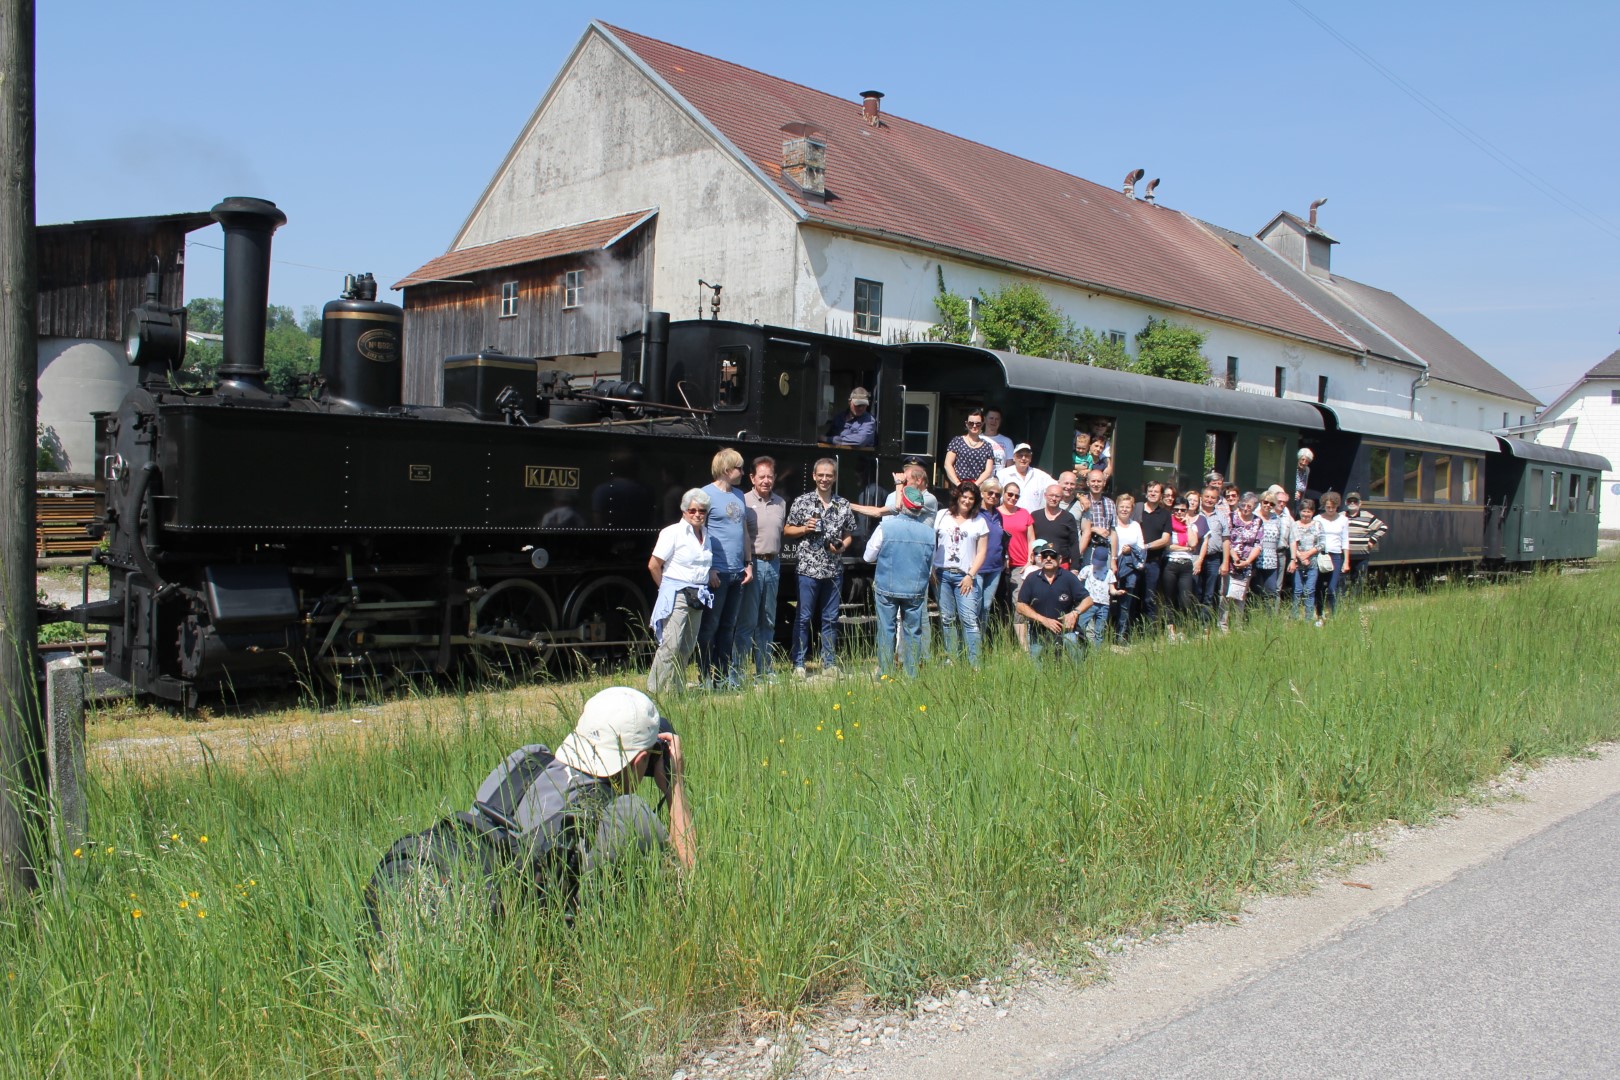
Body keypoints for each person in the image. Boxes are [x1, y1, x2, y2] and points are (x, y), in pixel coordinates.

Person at [482, 687, 695, 876]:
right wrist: (675, 784)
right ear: (640, 760)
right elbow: (689, 875)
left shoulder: (524, 762)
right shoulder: (627, 815)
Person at [784, 458, 855, 677]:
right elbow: (787, 530)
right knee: (803, 618)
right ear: (814, 476)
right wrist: (805, 528)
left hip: (833, 570)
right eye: (821, 475)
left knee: (831, 618)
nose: (824, 479)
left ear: (834, 477)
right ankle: (798, 664)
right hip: (808, 569)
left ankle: (829, 663)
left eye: (829, 475)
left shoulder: (842, 504)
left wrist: (842, 546)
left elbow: (849, 533)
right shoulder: (802, 502)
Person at [647, 490, 718, 694]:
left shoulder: (706, 536)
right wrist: (665, 589)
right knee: (670, 645)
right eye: (692, 510)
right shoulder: (672, 533)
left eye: (702, 510)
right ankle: (655, 692)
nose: (697, 514)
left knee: (687, 647)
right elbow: (654, 565)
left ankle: (676, 691)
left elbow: (704, 563)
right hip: (677, 592)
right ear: (684, 511)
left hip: (698, 594)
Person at [863, 486, 934, 678]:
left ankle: (885, 672)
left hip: (887, 587)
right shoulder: (929, 533)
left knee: (886, 629)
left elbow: (868, 557)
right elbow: (930, 563)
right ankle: (912, 674)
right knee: (913, 631)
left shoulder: (885, 527)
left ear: (902, 504)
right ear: (919, 508)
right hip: (915, 590)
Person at [695, 449, 752, 689]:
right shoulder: (705, 495)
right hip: (716, 572)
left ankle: (724, 675)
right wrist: (708, 569)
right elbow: (699, 534)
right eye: (739, 468)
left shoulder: (739, 495)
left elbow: (744, 531)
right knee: (710, 627)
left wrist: (749, 563)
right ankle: (705, 676)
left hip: (737, 572)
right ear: (728, 470)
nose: (742, 471)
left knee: (729, 627)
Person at [736, 456, 786, 681]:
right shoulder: (743, 501)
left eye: (770, 476)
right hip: (752, 565)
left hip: (773, 564)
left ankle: (764, 669)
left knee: (768, 619)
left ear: (774, 478)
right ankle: (737, 669)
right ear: (752, 478)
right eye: (761, 476)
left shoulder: (781, 503)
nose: (766, 480)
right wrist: (747, 564)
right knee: (747, 620)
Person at [933, 482, 989, 668]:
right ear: (957, 496)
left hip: (965, 576)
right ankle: (952, 659)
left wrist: (971, 575)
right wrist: (931, 568)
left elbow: (981, 552)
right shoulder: (942, 516)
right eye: (964, 497)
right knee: (947, 619)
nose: (966, 501)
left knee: (969, 619)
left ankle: (975, 663)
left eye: (971, 499)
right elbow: (932, 542)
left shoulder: (979, 521)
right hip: (941, 573)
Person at [1016, 540, 1084, 664]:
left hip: (1066, 631)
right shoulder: (1031, 578)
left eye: (1052, 556)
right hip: (1039, 632)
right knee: (1037, 671)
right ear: (1040, 558)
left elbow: (1088, 600)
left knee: (1074, 653)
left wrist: (1075, 613)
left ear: (1059, 559)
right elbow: (1020, 606)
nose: (1048, 558)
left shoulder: (1069, 578)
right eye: (1045, 555)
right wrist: (1043, 620)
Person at [998, 481, 1036, 650]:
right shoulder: (995, 513)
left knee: (1019, 603)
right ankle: (1001, 641)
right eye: (1010, 494)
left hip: (1020, 565)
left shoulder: (1024, 513)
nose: (1013, 498)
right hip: (998, 566)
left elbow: (1031, 539)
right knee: (998, 603)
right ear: (1003, 494)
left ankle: (1024, 647)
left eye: (1016, 495)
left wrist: (1030, 560)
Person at [1219, 492, 1264, 632]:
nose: (1246, 508)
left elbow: (1258, 544)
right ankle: (1222, 625)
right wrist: (1234, 557)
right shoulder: (1231, 518)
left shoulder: (1258, 521)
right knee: (1225, 594)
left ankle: (1238, 625)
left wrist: (1248, 561)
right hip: (1230, 561)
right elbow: (1226, 539)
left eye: (1249, 506)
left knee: (1240, 595)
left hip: (1246, 564)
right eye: (1243, 505)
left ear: (1254, 507)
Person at [1162, 500, 1204, 642]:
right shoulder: (1168, 525)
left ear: (1187, 511)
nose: (1179, 513)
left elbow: (1193, 543)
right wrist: (1186, 548)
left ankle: (1182, 630)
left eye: (1182, 510)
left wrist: (1188, 525)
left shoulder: (1191, 526)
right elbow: (1168, 546)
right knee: (1169, 599)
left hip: (1186, 565)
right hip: (1171, 563)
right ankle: (1170, 631)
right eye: (1176, 510)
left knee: (1185, 599)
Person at [1134, 483, 1173, 634]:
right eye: (1150, 491)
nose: (1152, 493)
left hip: (1153, 562)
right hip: (1134, 561)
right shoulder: (1136, 509)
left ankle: (1150, 632)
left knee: (1149, 598)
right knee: (1134, 596)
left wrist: (1146, 546)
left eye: (1156, 491)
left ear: (1161, 495)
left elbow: (1165, 539)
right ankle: (1132, 631)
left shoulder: (1165, 514)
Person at [1111, 491, 1143, 641]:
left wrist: (1131, 549)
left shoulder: (1135, 525)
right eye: (1121, 506)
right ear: (1116, 507)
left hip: (1130, 568)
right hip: (1113, 566)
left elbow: (1141, 546)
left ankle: (1121, 635)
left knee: (1126, 602)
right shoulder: (1112, 524)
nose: (1124, 509)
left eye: (1127, 507)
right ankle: (1106, 632)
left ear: (1132, 509)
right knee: (1110, 600)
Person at [976, 478, 1008, 628]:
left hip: (995, 567)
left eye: (997, 494)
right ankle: (969, 645)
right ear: (982, 493)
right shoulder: (974, 512)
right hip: (977, 567)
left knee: (986, 607)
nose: (994, 496)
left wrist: (1004, 558)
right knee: (974, 606)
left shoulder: (998, 515)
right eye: (990, 492)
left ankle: (980, 643)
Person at [1316, 492, 1350, 621]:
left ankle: (1333, 613)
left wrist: (1346, 561)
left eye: (1333, 507)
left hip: (1336, 555)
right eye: (1327, 507)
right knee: (1319, 586)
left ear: (1337, 506)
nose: (1330, 510)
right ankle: (1319, 613)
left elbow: (1345, 540)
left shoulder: (1343, 520)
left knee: (1331, 587)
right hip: (1321, 555)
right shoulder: (1318, 519)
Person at [1289, 497, 1324, 623]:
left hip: (1312, 563)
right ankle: (1294, 617)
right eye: (1303, 511)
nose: (1306, 514)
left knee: (1309, 590)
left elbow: (1321, 544)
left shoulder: (1318, 525)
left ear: (1313, 512)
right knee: (1297, 590)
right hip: (1298, 563)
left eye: (1308, 511)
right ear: (1299, 511)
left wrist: (1307, 555)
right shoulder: (1294, 525)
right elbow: (1292, 542)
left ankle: (1308, 618)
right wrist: (1300, 556)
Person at [1344, 492, 1387, 591]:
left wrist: (1372, 540)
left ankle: (1355, 602)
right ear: (1346, 502)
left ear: (1360, 503)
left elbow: (1383, 527)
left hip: (1362, 555)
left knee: (1359, 580)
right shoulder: (1341, 516)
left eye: (1355, 501)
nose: (1352, 503)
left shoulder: (1367, 516)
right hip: (1344, 555)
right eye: (1350, 501)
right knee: (1342, 580)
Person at [1031, 483, 1080, 568]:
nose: (1054, 499)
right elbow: (1029, 540)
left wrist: (1075, 568)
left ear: (1061, 498)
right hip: (1039, 564)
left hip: (1061, 564)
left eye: (1057, 496)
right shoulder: (1035, 516)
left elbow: (1074, 544)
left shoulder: (1068, 518)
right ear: (1045, 496)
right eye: (1051, 495)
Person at [944, 409, 996, 487]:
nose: (974, 426)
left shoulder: (987, 446)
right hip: (958, 487)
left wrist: (975, 486)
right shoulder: (957, 441)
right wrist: (958, 484)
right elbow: (947, 464)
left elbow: (988, 471)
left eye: (978, 424)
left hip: (977, 488)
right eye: (971, 423)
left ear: (982, 424)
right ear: (966, 424)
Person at [997, 444, 1056, 514]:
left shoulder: (1041, 476)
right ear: (1014, 458)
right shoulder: (1002, 474)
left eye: (1027, 456)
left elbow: (1056, 487)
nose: (1023, 458)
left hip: (1034, 520)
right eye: (1020, 455)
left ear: (1030, 458)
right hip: (1008, 519)